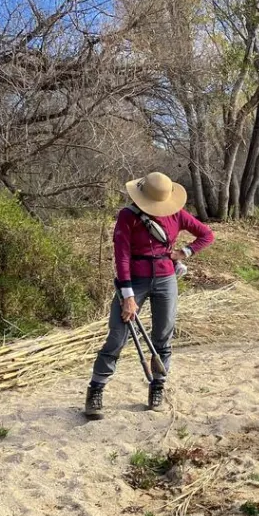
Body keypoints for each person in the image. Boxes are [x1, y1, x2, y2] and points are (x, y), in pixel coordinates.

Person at [84, 171, 214, 420]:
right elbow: (121, 256)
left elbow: (206, 235)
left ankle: (157, 386)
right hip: (134, 281)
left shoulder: (176, 213)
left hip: (166, 279)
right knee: (117, 336)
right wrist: (128, 296)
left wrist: (185, 252)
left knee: (163, 335)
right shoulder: (127, 217)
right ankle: (96, 390)